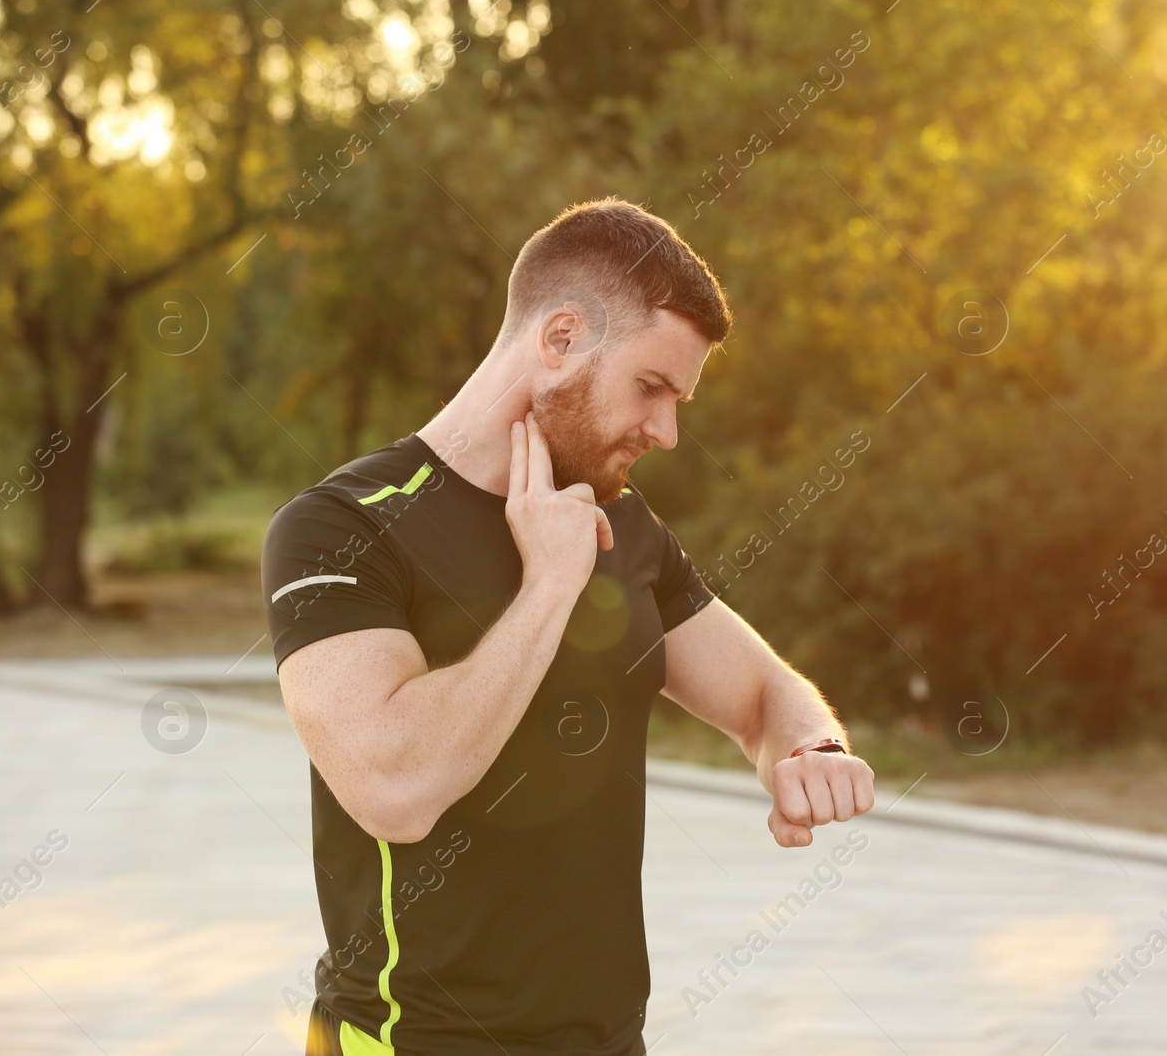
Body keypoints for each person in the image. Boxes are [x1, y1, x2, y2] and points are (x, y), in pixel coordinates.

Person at [261, 197, 876, 1056]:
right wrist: (550, 584)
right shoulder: (342, 527)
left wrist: (812, 747)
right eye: (651, 387)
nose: (665, 430)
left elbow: (763, 693)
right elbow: (394, 785)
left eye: (679, 399)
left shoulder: (622, 525)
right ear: (558, 340)